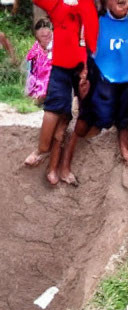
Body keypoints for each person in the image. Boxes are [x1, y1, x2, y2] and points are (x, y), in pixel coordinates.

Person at [24, 0, 98, 184]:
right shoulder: (59, 5)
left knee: (81, 117)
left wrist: (88, 67)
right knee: (57, 110)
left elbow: (93, 35)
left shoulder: (89, 5)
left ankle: (63, 167)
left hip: (86, 63)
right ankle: (45, 154)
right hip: (62, 63)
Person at [60, 0, 128, 187]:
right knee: (86, 122)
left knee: (125, 118)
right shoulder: (96, 22)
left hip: (126, 83)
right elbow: (82, 52)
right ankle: (65, 164)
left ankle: (125, 155)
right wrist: (84, 77)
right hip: (101, 79)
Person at [25, 19, 54, 102]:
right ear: (37, 37)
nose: (46, 39)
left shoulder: (57, 47)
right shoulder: (35, 50)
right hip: (39, 82)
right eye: (43, 37)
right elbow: (29, 70)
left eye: (48, 36)